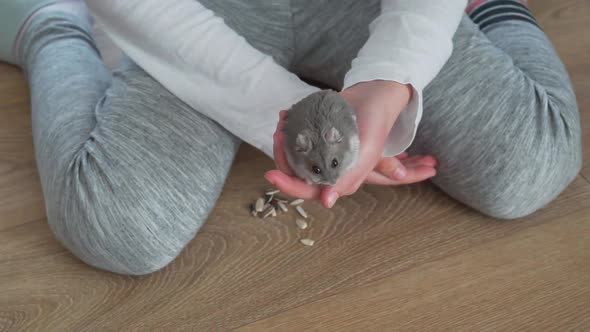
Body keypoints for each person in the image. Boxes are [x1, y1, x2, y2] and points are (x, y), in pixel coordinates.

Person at [0, 0, 581, 275]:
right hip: (188, 12)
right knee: (116, 226)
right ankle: (48, 25)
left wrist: (394, 73)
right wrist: (280, 109)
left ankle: (490, 6)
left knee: (531, 166)